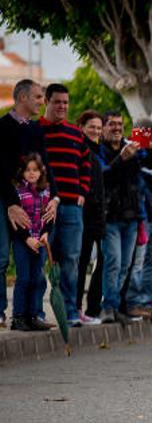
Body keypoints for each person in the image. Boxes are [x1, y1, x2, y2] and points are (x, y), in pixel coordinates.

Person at [98, 111, 152, 325]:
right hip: (110, 217)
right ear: (103, 128)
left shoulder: (132, 148)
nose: (117, 128)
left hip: (132, 216)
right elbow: (102, 176)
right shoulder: (99, 150)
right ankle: (107, 307)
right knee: (114, 263)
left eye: (120, 124)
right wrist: (121, 159)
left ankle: (117, 306)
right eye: (112, 124)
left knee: (125, 265)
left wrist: (149, 144)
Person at [0, 79, 58, 328]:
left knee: (35, 261)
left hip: (33, 202)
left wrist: (54, 197)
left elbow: (45, 166)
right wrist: (12, 204)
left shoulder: (35, 130)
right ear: (22, 97)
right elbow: (0, 170)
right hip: (5, 199)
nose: (42, 102)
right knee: (2, 258)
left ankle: (33, 314)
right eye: (37, 97)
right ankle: (4, 312)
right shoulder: (2, 127)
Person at [39, 83, 92, 327]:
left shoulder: (75, 133)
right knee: (41, 259)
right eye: (57, 102)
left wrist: (82, 191)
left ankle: (71, 311)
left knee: (71, 259)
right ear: (47, 102)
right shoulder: (36, 131)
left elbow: (86, 165)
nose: (62, 106)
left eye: (65, 103)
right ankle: (37, 313)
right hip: (43, 207)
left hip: (72, 207)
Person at [9, 155, 54, 331]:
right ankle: (18, 317)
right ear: (22, 172)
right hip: (23, 241)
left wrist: (45, 234)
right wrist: (27, 238)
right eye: (28, 170)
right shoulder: (18, 192)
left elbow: (48, 217)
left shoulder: (46, 192)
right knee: (24, 278)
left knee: (37, 278)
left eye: (35, 170)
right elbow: (15, 222)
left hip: (40, 242)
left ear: (41, 171)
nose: (31, 173)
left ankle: (33, 315)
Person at [75, 110, 107, 322]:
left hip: (98, 215)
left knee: (101, 261)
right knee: (80, 262)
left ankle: (92, 308)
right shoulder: (81, 149)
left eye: (98, 127)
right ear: (82, 127)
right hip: (84, 213)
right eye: (91, 127)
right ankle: (75, 308)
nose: (95, 130)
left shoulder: (100, 150)